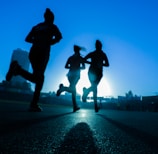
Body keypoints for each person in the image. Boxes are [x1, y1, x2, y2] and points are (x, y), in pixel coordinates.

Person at [6, 8, 62, 112]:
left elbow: (27, 39)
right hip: (43, 52)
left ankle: (18, 71)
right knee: (39, 79)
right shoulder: (52, 26)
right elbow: (59, 37)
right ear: (52, 18)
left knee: (38, 77)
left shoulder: (37, 26)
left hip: (33, 51)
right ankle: (18, 71)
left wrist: (36, 40)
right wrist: (49, 42)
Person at [82, 40, 109, 112]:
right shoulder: (101, 54)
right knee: (95, 88)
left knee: (94, 88)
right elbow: (107, 64)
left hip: (95, 73)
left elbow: (84, 60)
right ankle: (95, 107)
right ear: (99, 46)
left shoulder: (95, 53)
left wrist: (93, 63)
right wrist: (98, 63)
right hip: (95, 72)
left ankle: (86, 92)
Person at [56, 45, 85, 112]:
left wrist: (72, 67)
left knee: (73, 90)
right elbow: (84, 67)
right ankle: (63, 89)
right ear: (78, 50)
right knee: (73, 89)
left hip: (70, 74)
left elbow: (66, 66)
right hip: (76, 75)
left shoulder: (70, 57)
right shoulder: (80, 58)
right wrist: (78, 67)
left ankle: (75, 106)